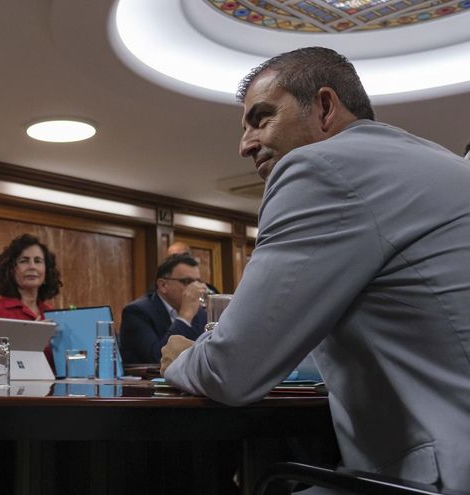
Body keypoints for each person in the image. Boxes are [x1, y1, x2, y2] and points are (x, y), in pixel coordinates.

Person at [161, 47, 470, 489]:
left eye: (261, 117)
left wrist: (182, 357)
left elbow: (233, 372)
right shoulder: (438, 163)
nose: (244, 145)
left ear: (325, 107)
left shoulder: (320, 168)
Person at [119, 254, 208, 364]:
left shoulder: (200, 314)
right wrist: (185, 317)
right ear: (163, 285)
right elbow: (157, 359)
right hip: (149, 380)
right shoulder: (136, 312)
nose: (195, 288)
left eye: (197, 282)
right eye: (187, 282)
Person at [0, 234, 62, 334]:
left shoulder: (50, 312)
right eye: (24, 261)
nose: (32, 267)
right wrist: (30, 336)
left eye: (38, 261)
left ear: (47, 270)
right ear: (11, 269)